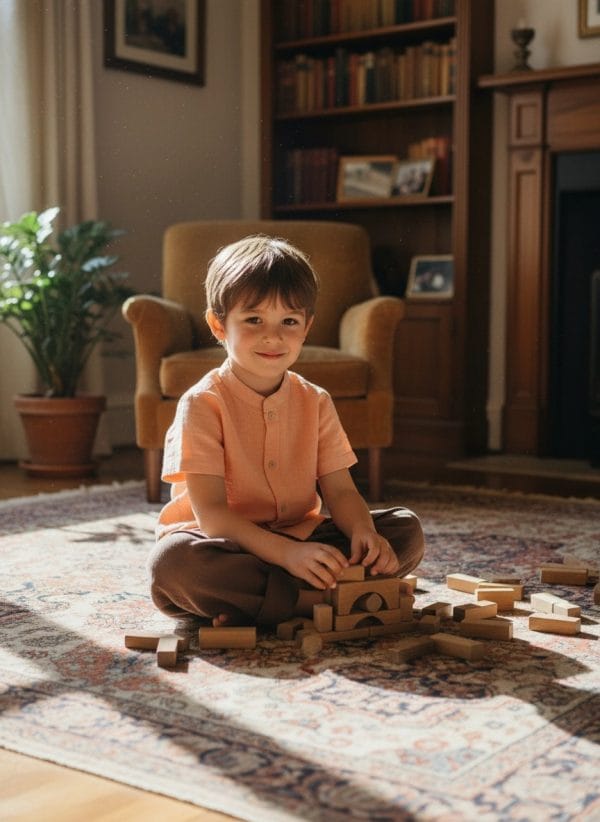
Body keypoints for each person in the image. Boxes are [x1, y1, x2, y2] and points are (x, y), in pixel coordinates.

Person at [148, 235, 424, 628]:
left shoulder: (316, 401)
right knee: (173, 566)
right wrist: (286, 555)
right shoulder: (202, 404)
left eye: (289, 321)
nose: (273, 336)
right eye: (254, 320)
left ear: (307, 327)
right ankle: (318, 599)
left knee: (404, 530)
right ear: (218, 324)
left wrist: (365, 533)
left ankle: (274, 601)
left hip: (302, 541)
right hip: (224, 545)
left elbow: (341, 491)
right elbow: (212, 517)